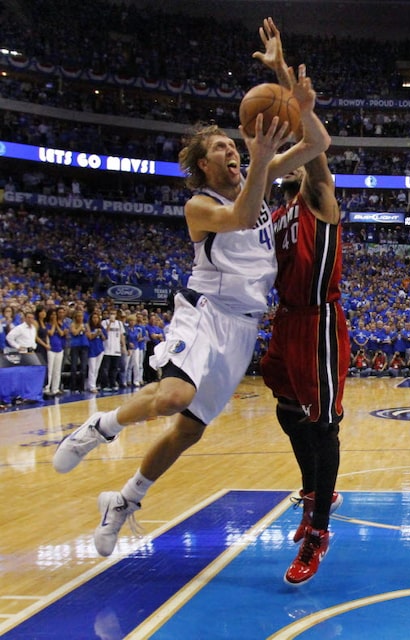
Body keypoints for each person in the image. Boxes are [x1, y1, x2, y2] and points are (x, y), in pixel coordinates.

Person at [52, 25, 331, 561]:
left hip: (244, 326)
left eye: (234, 142)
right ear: (204, 165)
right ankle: (101, 426)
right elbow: (243, 215)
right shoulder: (199, 205)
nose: (233, 149)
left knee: (188, 430)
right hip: (204, 313)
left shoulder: (261, 173)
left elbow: (317, 143)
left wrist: (284, 82)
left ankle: (125, 499)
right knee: (175, 396)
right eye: (222, 147)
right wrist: (262, 158)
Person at [257, 17, 349, 586]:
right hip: (286, 323)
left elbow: (318, 148)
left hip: (318, 324)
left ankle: (318, 529)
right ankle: (316, 489)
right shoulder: (276, 203)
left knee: (323, 429)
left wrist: (289, 84)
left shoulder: (317, 196)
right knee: (287, 411)